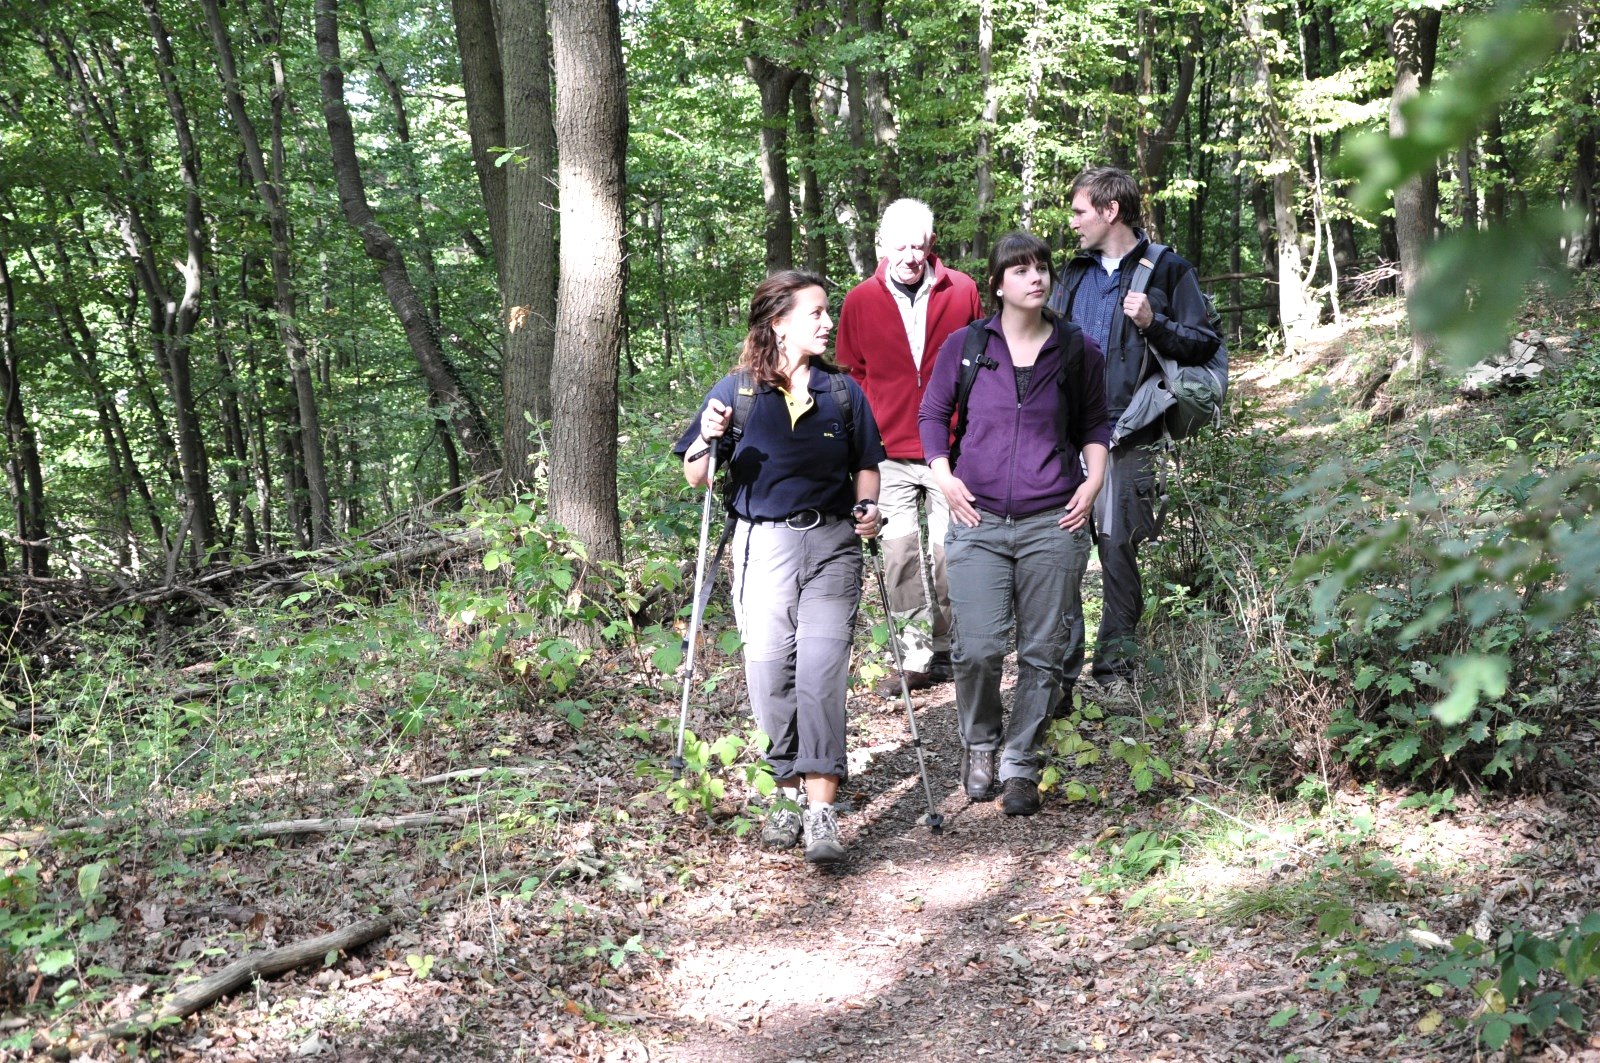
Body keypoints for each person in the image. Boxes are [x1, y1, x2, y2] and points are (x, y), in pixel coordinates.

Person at [675, 270, 885, 863]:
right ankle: (785, 791)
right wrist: (707, 438)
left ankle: (821, 810)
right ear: (779, 323)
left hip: (833, 544)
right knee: (770, 674)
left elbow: (867, 465)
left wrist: (868, 508)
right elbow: (697, 475)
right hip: (761, 547)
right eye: (816, 312)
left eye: (827, 311)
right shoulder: (737, 391)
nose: (828, 322)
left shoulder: (842, 392)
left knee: (821, 673)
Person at [918, 232, 1109, 817]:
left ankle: (1021, 761)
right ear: (997, 284)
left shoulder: (1077, 349)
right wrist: (943, 476)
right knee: (977, 647)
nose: (1036, 277)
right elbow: (933, 414)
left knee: (1043, 651)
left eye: (1042, 267)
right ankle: (980, 744)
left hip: (1054, 520)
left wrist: (1093, 483)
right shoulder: (967, 345)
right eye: (1021, 270)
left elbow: (1095, 424)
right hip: (976, 518)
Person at [1047, 167, 1221, 708]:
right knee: (1061, 554)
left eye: (1079, 211)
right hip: (1065, 438)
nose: (1073, 222)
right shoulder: (1073, 273)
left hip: (1129, 433)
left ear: (1110, 211)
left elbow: (1205, 344)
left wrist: (1153, 322)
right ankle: (1059, 680)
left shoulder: (1169, 269)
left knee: (1117, 551)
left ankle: (1114, 672)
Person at [836, 199, 982, 696]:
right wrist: (864, 435)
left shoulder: (962, 290)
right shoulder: (859, 300)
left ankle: (950, 650)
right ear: (881, 246)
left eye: (917, 246)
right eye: (899, 246)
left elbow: (982, 360)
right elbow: (852, 373)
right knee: (899, 556)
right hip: (887, 454)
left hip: (950, 451)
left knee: (950, 555)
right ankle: (916, 657)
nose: (909, 256)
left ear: (931, 245)